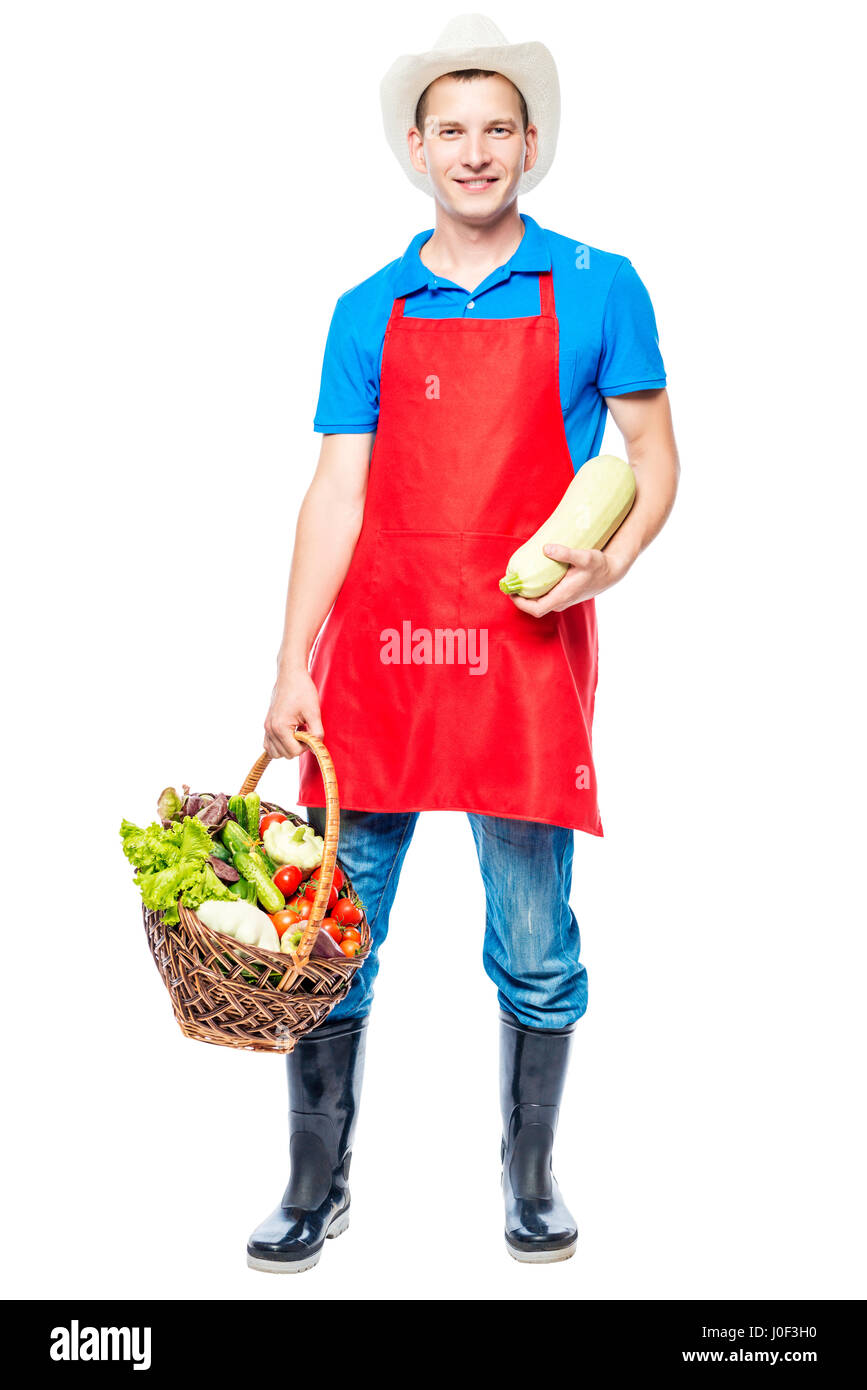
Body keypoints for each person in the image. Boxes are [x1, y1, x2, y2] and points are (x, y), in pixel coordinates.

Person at [246, 13, 680, 1274]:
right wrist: (287, 662)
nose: (477, 151)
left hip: (523, 652)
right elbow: (337, 492)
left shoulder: (602, 284)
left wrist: (616, 553)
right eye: (453, 131)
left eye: (500, 129)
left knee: (536, 939)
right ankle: (313, 1183)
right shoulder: (367, 306)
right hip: (377, 658)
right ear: (417, 148)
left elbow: (652, 464)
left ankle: (529, 1175)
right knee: (333, 929)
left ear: (531, 144)